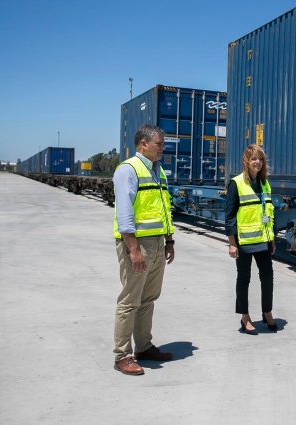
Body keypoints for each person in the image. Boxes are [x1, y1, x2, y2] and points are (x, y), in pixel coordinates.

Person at [112, 124, 176, 376]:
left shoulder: (158, 171)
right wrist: (133, 249)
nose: (163, 148)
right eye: (159, 143)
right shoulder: (128, 170)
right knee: (130, 300)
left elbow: (164, 210)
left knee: (148, 299)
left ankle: (144, 347)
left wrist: (169, 241)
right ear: (144, 144)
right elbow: (125, 212)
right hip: (137, 245)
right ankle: (122, 355)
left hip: (158, 243)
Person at [225, 144, 277, 335]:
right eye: (254, 158)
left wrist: (272, 239)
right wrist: (232, 243)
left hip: (263, 240)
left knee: (267, 277)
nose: (258, 162)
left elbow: (270, 213)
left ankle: (267, 312)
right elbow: (229, 216)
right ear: (246, 161)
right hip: (244, 242)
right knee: (244, 279)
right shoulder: (236, 183)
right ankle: (245, 317)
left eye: (260, 159)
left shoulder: (264, 183)